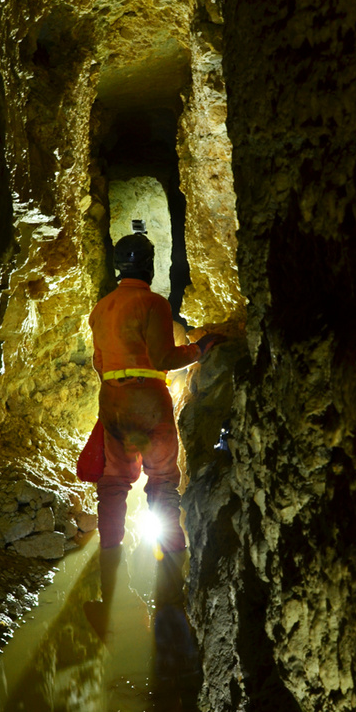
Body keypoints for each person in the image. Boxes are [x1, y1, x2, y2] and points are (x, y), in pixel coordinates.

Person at [88, 231, 224, 554]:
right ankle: (171, 557)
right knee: (162, 481)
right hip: (149, 399)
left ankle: (109, 558)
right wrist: (198, 350)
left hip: (112, 401)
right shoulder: (154, 304)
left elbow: (99, 363)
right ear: (149, 267)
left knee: (112, 484)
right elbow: (164, 358)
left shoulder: (101, 308)